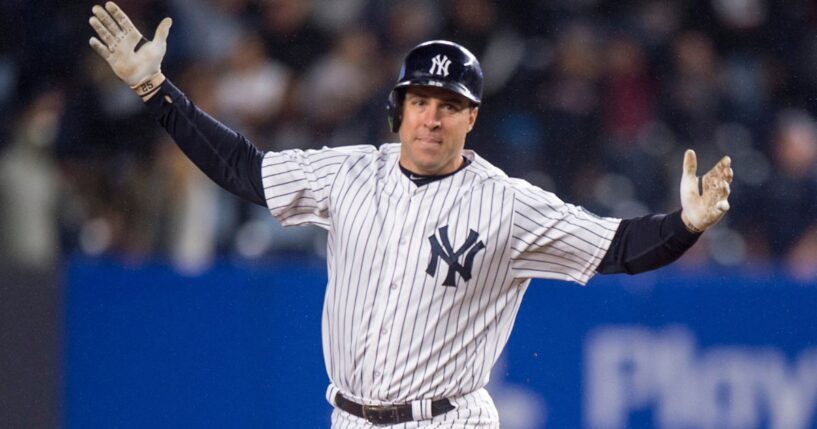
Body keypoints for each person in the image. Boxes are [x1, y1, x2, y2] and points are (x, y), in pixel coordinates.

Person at [88, 3, 733, 427]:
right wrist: (156, 91)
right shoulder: (350, 173)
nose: (432, 115)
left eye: (448, 104)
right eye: (420, 99)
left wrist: (686, 226)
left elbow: (617, 247)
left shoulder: (506, 204)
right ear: (399, 107)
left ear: (471, 117)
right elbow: (245, 169)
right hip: (347, 417)